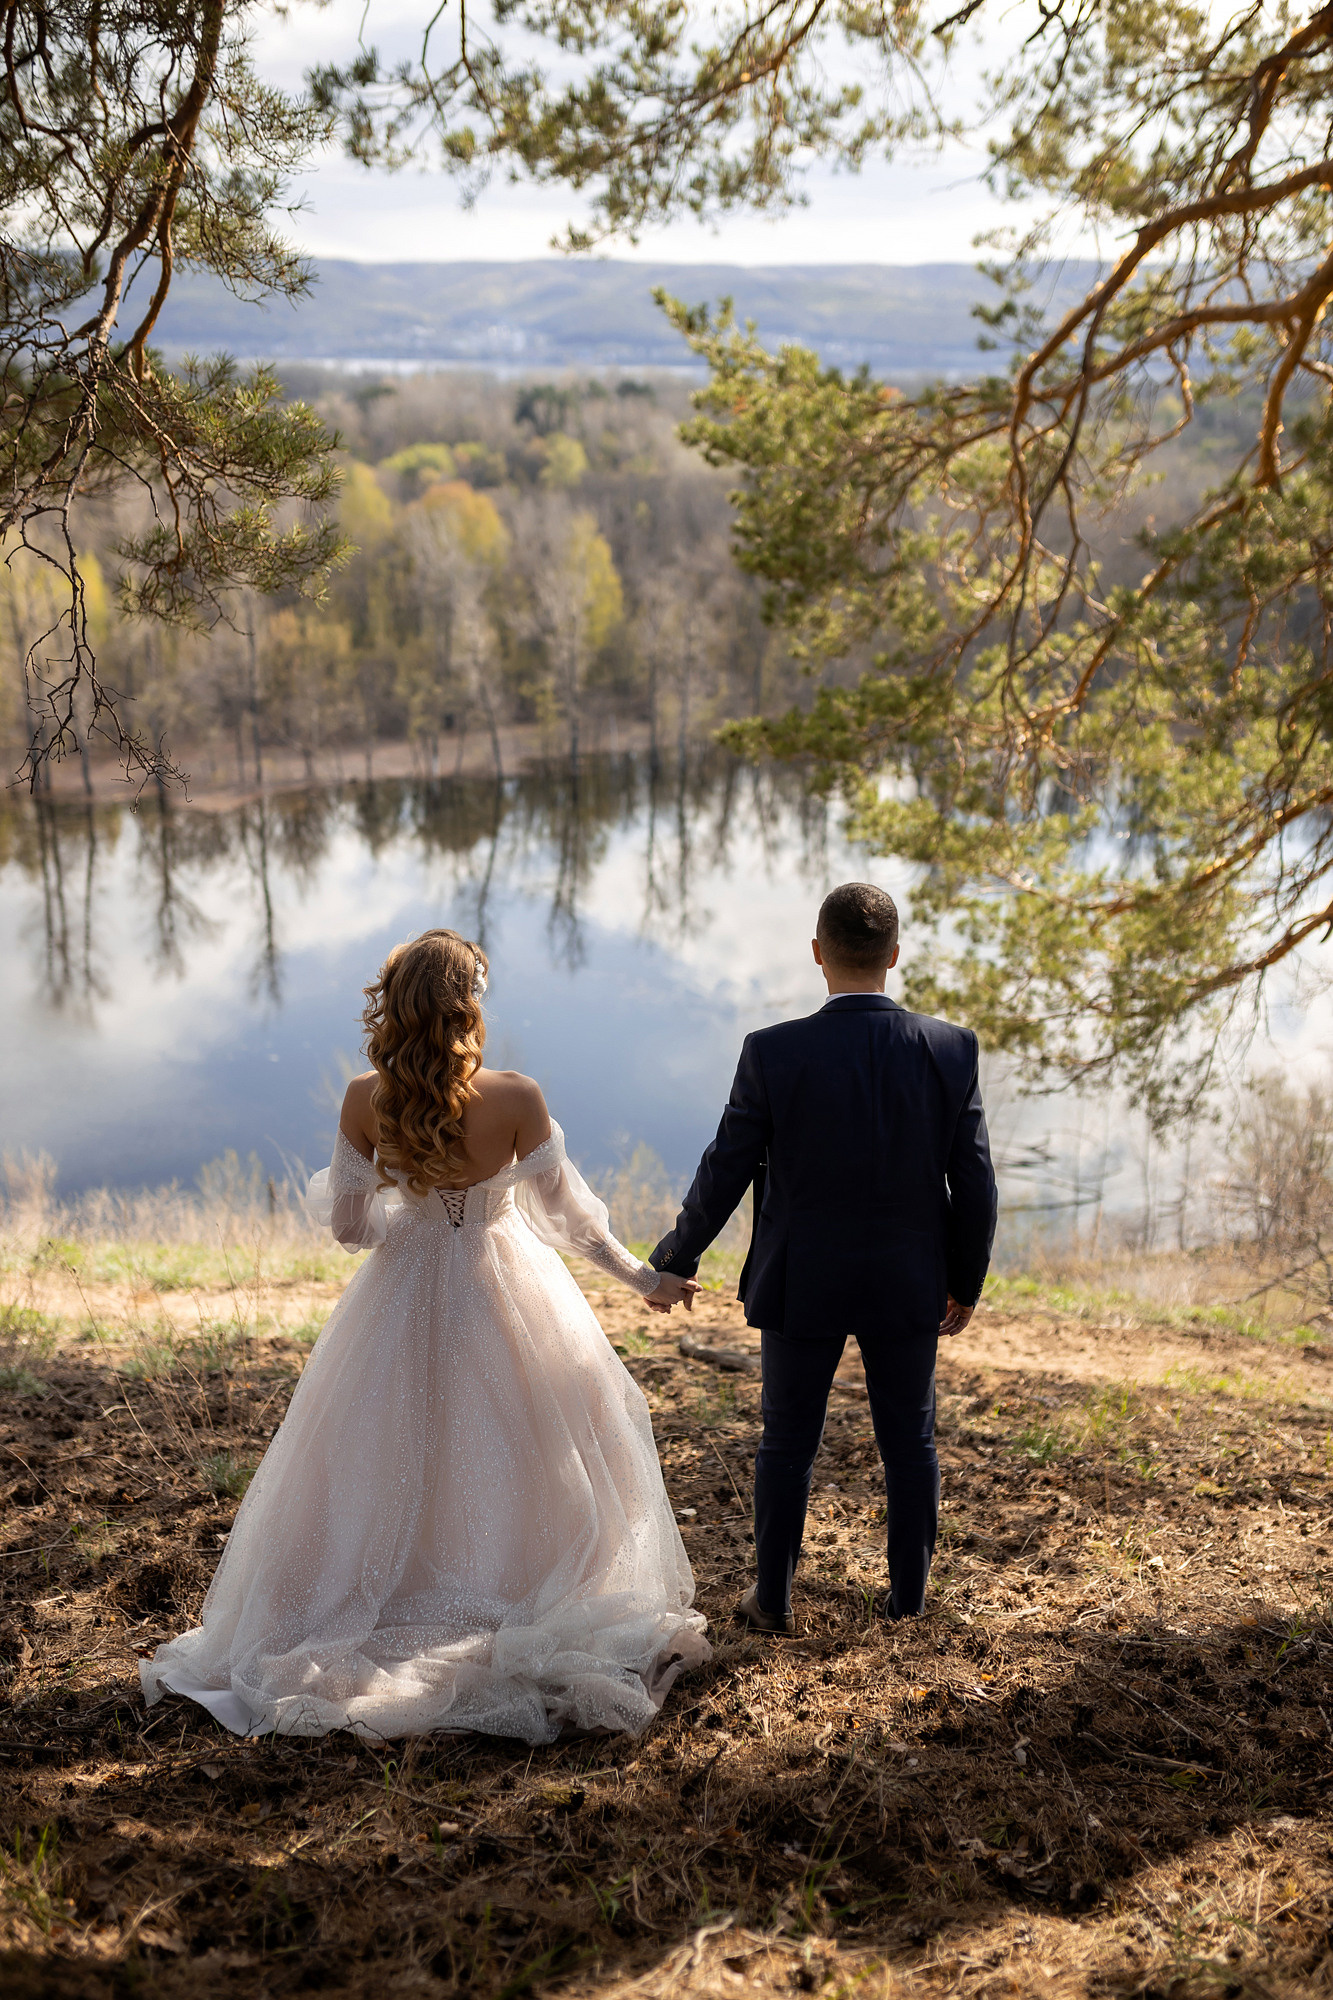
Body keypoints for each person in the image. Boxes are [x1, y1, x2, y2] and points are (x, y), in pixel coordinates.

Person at [141, 929, 708, 1743]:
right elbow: (572, 1224)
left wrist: (405, 1206)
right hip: (503, 1281)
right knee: (525, 1439)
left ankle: (395, 1588)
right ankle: (509, 1582)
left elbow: (347, 1230)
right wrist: (645, 1281)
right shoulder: (517, 1096)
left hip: (399, 1289)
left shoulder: (363, 1098)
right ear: (468, 1002)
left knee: (388, 1440)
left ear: (395, 1004)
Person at [649, 883, 997, 1634]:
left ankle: (770, 1601)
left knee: (786, 1441)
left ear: (817, 953)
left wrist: (676, 1256)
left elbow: (725, 1168)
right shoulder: (949, 1048)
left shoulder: (772, 1051)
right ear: (894, 956)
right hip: (909, 1279)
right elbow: (972, 1179)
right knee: (910, 1441)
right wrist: (963, 1280)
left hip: (802, 1276)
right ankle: (907, 1604)